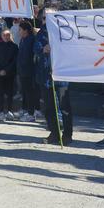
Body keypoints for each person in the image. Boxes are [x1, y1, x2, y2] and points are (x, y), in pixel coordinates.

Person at [35, 10, 73, 145]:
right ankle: (54, 133)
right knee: (49, 107)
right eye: (44, 17)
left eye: (49, 17)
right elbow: (36, 48)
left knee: (64, 107)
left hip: (61, 76)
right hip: (45, 76)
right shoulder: (41, 33)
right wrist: (42, 48)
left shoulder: (64, 30)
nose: (46, 20)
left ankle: (67, 135)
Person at [0, 29, 19, 120]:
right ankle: (1, 110)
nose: (6, 37)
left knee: (10, 92)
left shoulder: (14, 46)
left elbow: (15, 60)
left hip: (10, 73)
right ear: (1, 36)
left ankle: (9, 110)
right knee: (0, 93)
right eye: (4, 35)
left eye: (8, 35)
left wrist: (6, 70)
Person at [17, 21, 36, 122]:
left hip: (29, 71)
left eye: (20, 29)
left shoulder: (31, 39)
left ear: (26, 30)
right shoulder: (22, 40)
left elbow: (30, 56)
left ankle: (31, 113)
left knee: (30, 92)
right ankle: (24, 110)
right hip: (22, 70)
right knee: (24, 92)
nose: (18, 31)